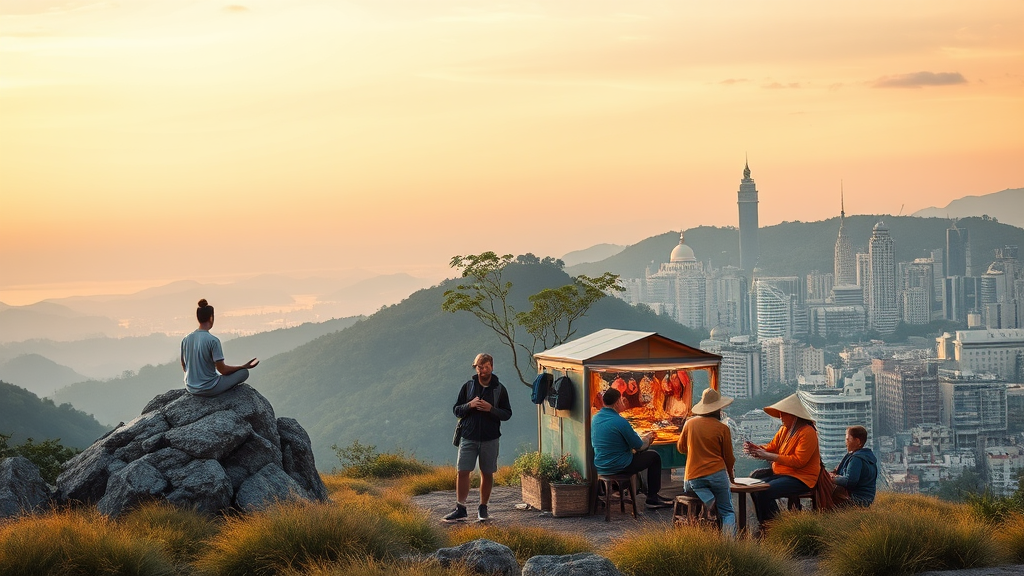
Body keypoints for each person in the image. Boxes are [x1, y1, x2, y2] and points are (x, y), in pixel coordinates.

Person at [444, 353, 512, 522]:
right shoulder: (468, 387)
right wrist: (469, 405)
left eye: (485, 367)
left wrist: (491, 409)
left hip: (490, 438)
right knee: (462, 471)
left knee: (487, 472)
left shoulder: (499, 389)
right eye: (479, 367)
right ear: (475, 367)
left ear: (492, 367)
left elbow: (507, 414)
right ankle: (461, 508)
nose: (482, 371)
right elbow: (456, 410)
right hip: (468, 436)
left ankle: (483, 507)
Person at [743, 393, 821, 527]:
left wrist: (769, 456)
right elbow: (772, 447)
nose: (780, 417)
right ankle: (766, 522)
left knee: (765, 491)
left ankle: (775, 526)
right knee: (755, 483)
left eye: (783, 414)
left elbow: (799, 461)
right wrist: (756, 449)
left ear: (794, 415)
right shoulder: (784, 430)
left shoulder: (808, 432)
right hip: (783, 473)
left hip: (801, 478)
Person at [591, 388, 672, 509]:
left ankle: (641, 491)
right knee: (654, 456)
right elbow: (639, 446)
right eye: (622, 400)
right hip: (618, 465)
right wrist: (648, 438)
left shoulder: (595, 418)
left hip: (600, 464)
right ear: (618, 402)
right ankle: (652, 497)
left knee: (638, 456)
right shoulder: (620, 421)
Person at [677, 387, 737, 537]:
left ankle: (708, 498)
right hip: (717, 474)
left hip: (694, 477)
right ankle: (729, 544)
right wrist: (731, 477)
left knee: (690, 485)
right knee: (727, 511)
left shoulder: (689, 424)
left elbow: (681, 448)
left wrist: (695, 449)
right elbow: (728, 457)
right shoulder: (723, 428)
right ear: (718, 409)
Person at [180, 299, 259, 397]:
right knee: (244, 373)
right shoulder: (213, 340)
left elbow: (184, 366)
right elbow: (223, 370)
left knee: (217, 373)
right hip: (208, 388)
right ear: (211, 318)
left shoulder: (186, 339)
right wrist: (243, 366)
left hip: (190, 387)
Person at [831, 425, 877, 507]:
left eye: (848, 439)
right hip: (868, 500)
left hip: (857, 500)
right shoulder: (867, 456)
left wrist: (832, 479)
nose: (846, 443)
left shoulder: (857, 459)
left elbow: (850, 481)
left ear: (858, 441)